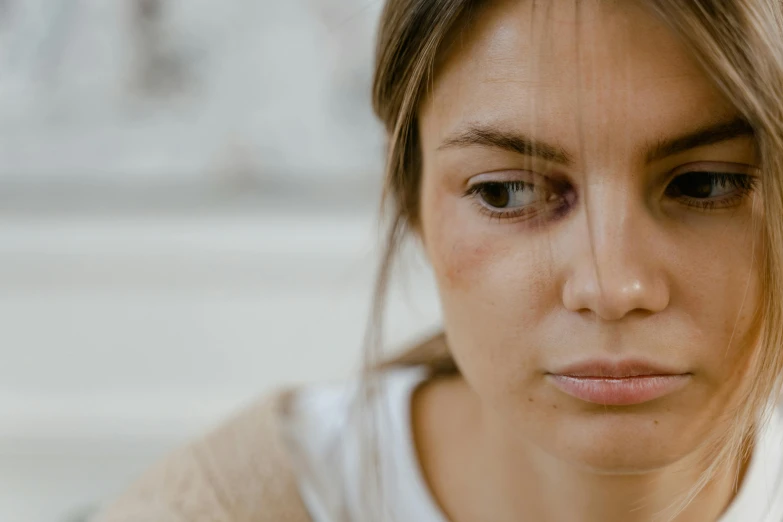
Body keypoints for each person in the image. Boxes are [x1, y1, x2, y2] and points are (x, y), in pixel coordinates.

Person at [94, 0, 783, 521]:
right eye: (506, 192)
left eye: (707, 183)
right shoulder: (226, 504)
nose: (610, 287)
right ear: (413, 203)